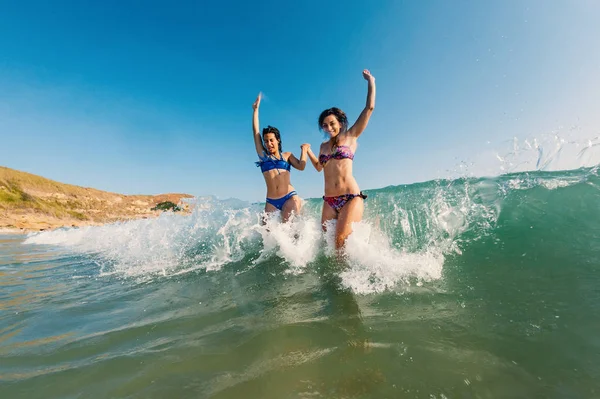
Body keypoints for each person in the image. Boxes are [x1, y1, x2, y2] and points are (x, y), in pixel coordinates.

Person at [307, 69, 376, 249]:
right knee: (329, 246)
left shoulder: (351, 137)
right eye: (324, 125)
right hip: (329, 200)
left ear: (340, 123)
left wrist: (371, 81)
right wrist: (308, 152)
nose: (328, 127)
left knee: (340, 243)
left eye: (332, 123)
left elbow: (369, 109)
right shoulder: (323, 147)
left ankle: (347, 277)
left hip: (350, 197)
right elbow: (318, 167)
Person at [252, 93, 309, 222]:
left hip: (289, 196)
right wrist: (255, 110)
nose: (268, 143)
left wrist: (304, 150)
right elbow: (255, 133)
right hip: (271, 201)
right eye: (266, 141)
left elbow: (301, 166)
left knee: (287, 227)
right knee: (266, 234)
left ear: (278, 140)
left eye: (271, 140)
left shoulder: (287, 155)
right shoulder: (263, 157)